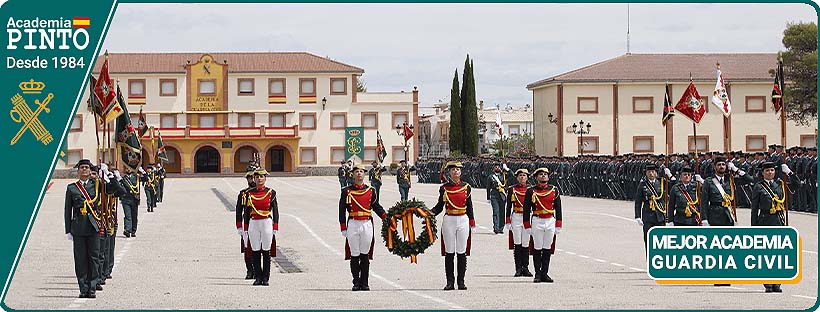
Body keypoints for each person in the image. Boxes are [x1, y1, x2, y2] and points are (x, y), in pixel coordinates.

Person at [64, 160, 123, 299]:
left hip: (94, 225)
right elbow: (68, 209)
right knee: (80, 259)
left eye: (87, 168)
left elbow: (118, 191)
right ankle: (83, 288)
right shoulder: (72, 188)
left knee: (94, 258)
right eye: (82, 168)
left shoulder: (98, 184)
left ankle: (91, 288)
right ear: (78, 171)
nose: (84, 170)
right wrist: (68, 229)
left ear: (91, 171)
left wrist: (109, 175)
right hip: (78, 227)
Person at [701, 156, 754, 286]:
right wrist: (704, 219)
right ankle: (717, 275)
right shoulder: (709, 182)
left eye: (723, 165)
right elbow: (703, 202)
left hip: (728, 216)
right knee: (717, 248)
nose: (721, 167)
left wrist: (736, 170)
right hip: (714, 214)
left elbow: (751, 180)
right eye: (719, 165)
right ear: (714, 167)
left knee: (728, 247)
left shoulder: (731, 179)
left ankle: (727, 274)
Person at [751, 161, 802, 293]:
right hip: (764, 220)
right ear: (762, 173)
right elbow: (754, 208)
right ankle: (767, 282)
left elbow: (798, 185)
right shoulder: (758, 187)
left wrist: (789, 173)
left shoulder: (780, 184)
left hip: (778, 221)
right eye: (767, 171)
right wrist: (753, 227)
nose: (770, 173)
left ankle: (777, 282)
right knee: (766, 254)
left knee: (778, 253)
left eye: (772, 170)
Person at [339, 164, 387, 291]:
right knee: (354, 254)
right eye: (357, 172)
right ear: (352, 174)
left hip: (366, 223)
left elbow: (376, 206)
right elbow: (341, 210)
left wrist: (386, 218)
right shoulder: (346, 191)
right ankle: (356, 282)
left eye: (361, 171)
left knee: (365, 254)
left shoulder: (371, 190)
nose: (359, 173)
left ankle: (365, 282)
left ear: (364, 174)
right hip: (353, 223)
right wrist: (343, 226)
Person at [431, 161, 476, 291]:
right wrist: (430, 213)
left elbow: (470, 206)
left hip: (463, 219)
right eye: (453, 169)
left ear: (461, 172)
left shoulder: (466, 187)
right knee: (449, 252)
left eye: (458, 169)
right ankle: (450, 282)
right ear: (449, 172)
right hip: (449, 219)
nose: (456, 171)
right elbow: (440, 206)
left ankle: (461, 281)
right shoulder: (444, 188)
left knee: (462, 251)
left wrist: (472, 221)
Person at [523, 167, 562, 283]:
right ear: (536, 177)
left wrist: (558, 223)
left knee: (547, 248)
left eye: (545, 174)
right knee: (537, 247)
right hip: (537, 220)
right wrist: (527, 224)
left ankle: (545, 273)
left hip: (550, 220)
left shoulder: (554, 190)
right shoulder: (531, 191)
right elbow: (526, 209)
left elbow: (558, 208)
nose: (543, 176)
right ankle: (537, 274)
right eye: (541, 174)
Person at [243, 169, 279, 286]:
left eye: (261, 177)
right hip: (254, 222)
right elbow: (247, 212)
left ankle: (266, 277)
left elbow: (275, 210)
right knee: (255, 250)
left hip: (266, 222)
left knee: (266, 250)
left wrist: (275, 225)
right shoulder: (249, 193)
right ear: (254, 179)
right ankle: (258, 277)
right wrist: (245, 227)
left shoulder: (271, 192)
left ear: (265, 178)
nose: (259, 179)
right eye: (257, 177)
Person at [504, 168, 533, 277]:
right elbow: (508, 206)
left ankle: (525, 267)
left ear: (527, 177)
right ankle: (518, 268)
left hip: (527, 217)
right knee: (518, 243)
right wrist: (507, 220)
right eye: (520, 175)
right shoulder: (512, 189)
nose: (522, 177)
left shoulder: (531, 190)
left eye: (524, 175)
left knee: (526, 243)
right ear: (517, 177)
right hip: (516, 216)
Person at [634, 164, 668, 250]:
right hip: (648, 216)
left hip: (660, 215)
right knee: (648, 239)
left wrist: (670, 175)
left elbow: (674, 186)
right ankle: (649, 259)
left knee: (661, 240)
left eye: (653, 172)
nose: (651, 174)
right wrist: (637, 216)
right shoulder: (642, 185)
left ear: (656, 173)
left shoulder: (662, 182)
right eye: (649, 172)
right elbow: (638, 202)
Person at [236, 168, 257, 280]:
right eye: (250, 177)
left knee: (260, 248)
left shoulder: (263, 192)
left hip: (259, 222)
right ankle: (249, 270)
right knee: (247, 248)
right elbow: (239, 211)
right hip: (247, 223)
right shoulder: (243, 193)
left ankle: (258, 270)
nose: (253, 179)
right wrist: (239, 226)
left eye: (255, 177)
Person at [119, 167, 145, 238]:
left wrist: (143, 172)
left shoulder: (136, 176)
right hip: (126, 199)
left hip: (134, 199)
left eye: (130, 168)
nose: (128, 169)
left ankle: (133, 230)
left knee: (134, 215)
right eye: (127, 168)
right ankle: (127, 230)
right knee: (127, 215)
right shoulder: (123, 178)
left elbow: (145, 179)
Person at [487, 163, 508, 234]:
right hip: (494, 195)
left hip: (502, 195)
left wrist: (507, 169)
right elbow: (488, 187)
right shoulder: (490, 177)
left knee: (502, 212)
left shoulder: (504, 175)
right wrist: (488, 197)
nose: (497, 168)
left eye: (498, 167)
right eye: (496, 167)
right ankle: (496, 227)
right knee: (496, 211)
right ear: (493, 168)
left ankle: (501, 227)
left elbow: (512, 176)